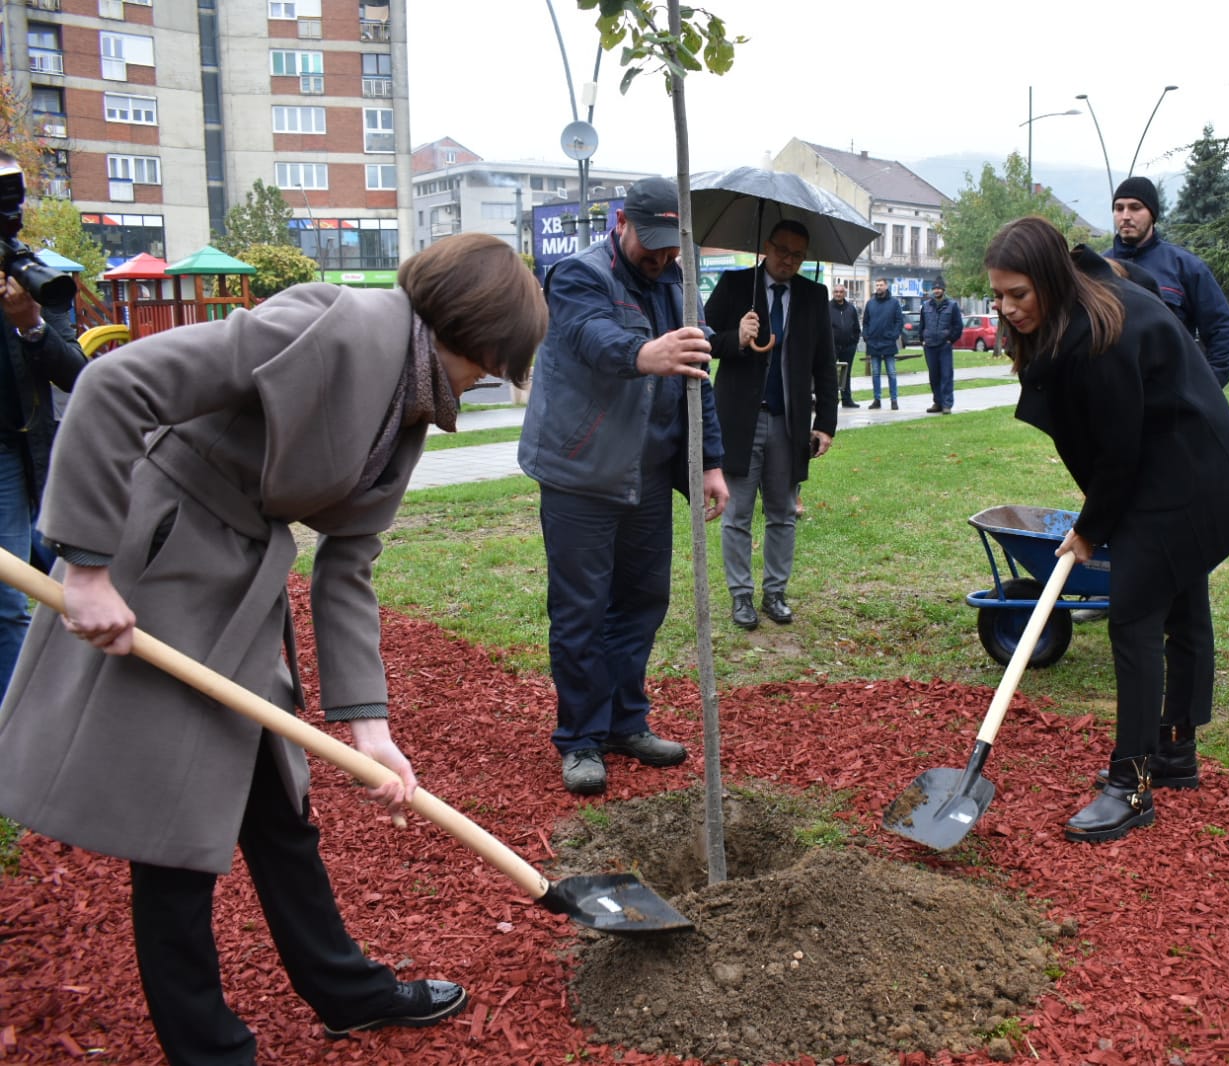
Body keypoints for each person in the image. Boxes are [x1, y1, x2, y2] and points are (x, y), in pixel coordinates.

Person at [0, 231, 547, 1063]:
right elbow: (115, 383)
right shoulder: (326, 323)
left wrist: (367, 724)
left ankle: (343, 990)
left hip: (242, 590)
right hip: (160, 572)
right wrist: (85, 564)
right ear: (468, 333)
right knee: (173, 831)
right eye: (494, 364)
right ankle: (207, 1048)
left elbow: (349, 561)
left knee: (278, 810)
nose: (488, 384)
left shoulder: (410, 398)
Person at [983, 216, 1229, 843]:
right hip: (1184, 462)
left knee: (1135, 620)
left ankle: (1131, 787)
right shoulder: (1086, 290)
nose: (1006, 308)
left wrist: (1089, 530)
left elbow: (1118, 455)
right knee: (1183, 601)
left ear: (1051, 279)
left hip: (1183, 478)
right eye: (997, 295)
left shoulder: (1098, 337)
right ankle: (1175, 752)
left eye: (1018, 294)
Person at [519, 176, 734, 796]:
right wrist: (647, 353)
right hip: (581, 472)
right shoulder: (577, 276)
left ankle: (623, 722)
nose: (663, 258)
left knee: (641, 602)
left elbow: (698, 377)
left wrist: (710, 463)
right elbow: (592, 339)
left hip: (647, 475)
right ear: (623, 223)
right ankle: (581, 739)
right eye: (654, 244)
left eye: (674, 246)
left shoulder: (677, 281)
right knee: (582, 610)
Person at [704, 220, 838, 631]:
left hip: (789, 424)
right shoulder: (734, 285)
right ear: (766, 246)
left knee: (782, 512)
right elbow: (703, 340)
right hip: (740, 422)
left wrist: (826, 423)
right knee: (738, 513)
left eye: (798, 255)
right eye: (782, 250)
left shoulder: (814, 296)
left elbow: (824, 366)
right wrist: (735, 338)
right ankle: (741, 597)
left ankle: (775, 592)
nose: (788, 260)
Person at [0, 152, 88, 689]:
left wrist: (31, 326)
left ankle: (58, 701)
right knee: (9, 598)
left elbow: (76, 373)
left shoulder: (33, 277)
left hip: (28, 454)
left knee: (59, 578)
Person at [1104, 176, 1229, 387]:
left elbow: (1222, 330)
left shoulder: (1185, 266)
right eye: (1119, 208)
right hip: (1113, 395)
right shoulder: (1098, 269)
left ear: (1153, 214)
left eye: (1135, 207)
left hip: (1169, 397)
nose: (1126, 216)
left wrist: (1207, 389)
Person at [919, 276, 963, 413]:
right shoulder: (926, 306)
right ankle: (937, 402)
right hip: (930, 345)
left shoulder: (952, 305)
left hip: (944, 345)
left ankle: (947, 404)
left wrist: (950, 339)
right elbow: (922, 325)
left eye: (939, 288)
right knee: (934, 376)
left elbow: (958, 326)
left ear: (943, 289)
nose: (936, 290)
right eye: (934, 288)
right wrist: (923, 339)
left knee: (946, 375)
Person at [860, 278, 903, 410]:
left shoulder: (894, 303)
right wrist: (866, 336)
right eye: (877, 285)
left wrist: (894, 335)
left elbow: (899, 321)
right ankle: (877, 399)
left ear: (886, 286)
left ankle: (894, 400)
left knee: (892, 372)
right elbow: (865, 321)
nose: (878, 287)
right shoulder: (870, 303)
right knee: (876, 373)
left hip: (888, 342)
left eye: (881, 285)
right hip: (873, 342)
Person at [828, 283, 861, 408]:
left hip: (848, 347)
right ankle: (832, 400)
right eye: (836, 292)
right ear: (833, 293)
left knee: (846, 374)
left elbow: (856, 327)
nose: (838, 294)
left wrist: (854, 341)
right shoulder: (827, 307)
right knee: (830, 374)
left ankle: (847, 400)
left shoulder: (851, 308)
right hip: (832, 347)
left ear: (844, 293)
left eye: (841, 292)